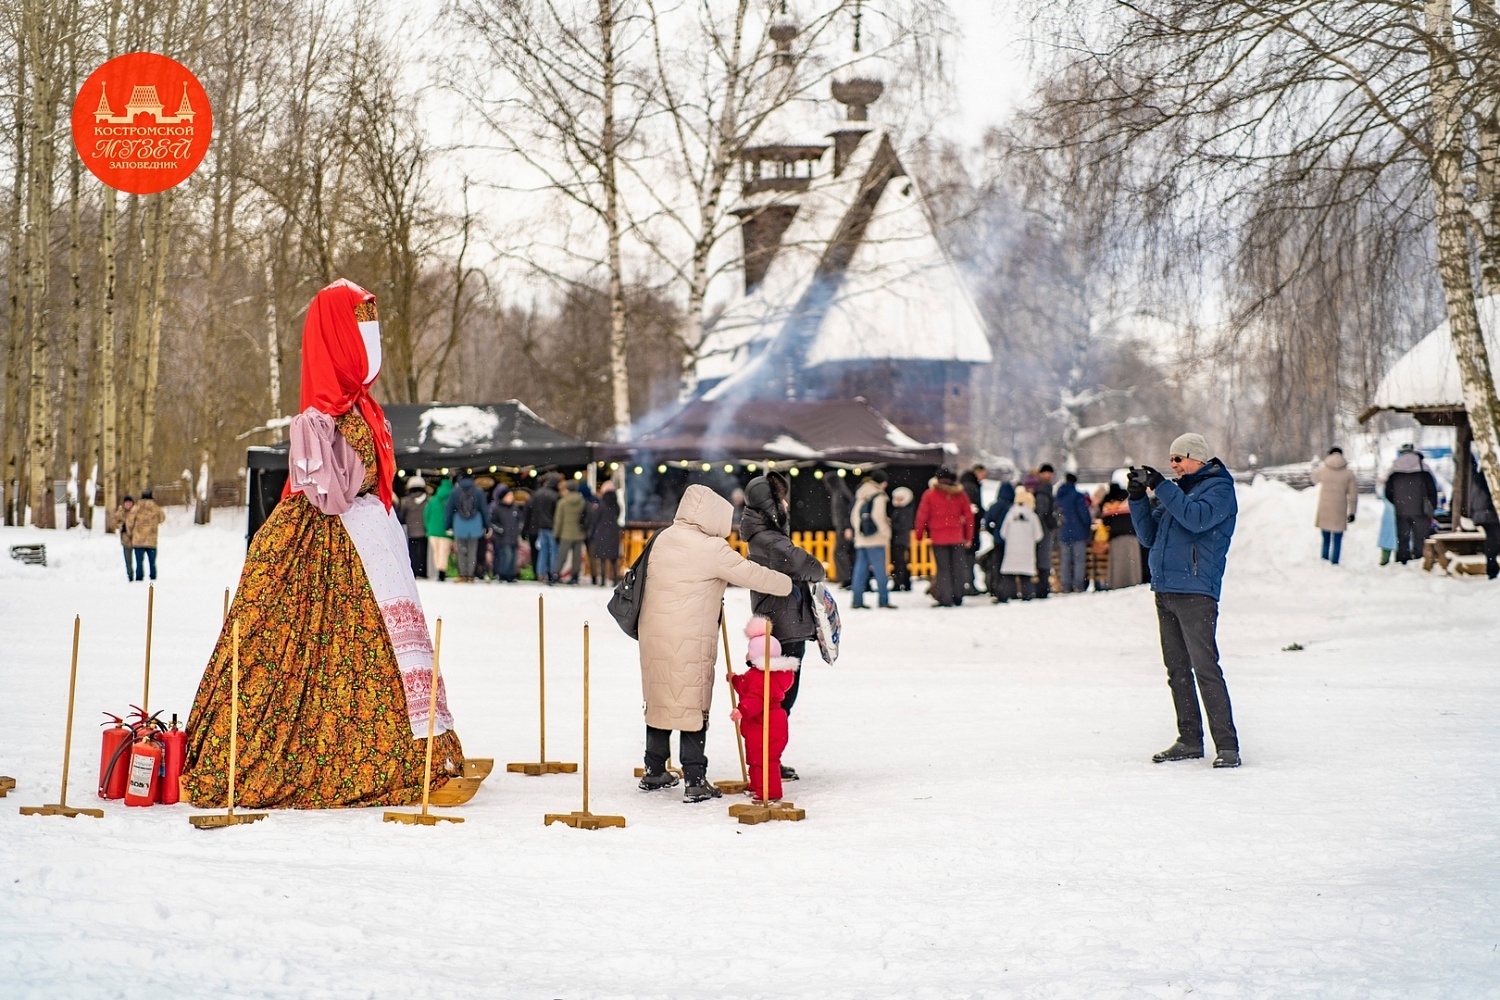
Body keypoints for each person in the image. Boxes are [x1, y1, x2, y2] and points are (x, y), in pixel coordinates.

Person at [181, 279, 466, 808]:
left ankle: (412, 749)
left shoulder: (363, 410)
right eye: (361, 326)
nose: (371, 338)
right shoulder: (318, 421)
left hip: (371, 545)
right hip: (322, 546)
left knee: (377, 653)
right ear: (337, 336)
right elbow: (330, 496)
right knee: (302, 651)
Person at [636, 484, 792, 803]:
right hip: (690, 636)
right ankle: (695, 779)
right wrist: (788, 583)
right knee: (691, 703)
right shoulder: (711, 548)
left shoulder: (663, 537)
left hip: (653, 634)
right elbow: (751, 574)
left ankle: (654, 770)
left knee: (661, 698)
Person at [1129, 432, 1241, 769]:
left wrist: (1161, 486)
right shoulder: (1178, 493)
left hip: (1196, 591)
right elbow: (1148, 536)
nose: (1173, 465)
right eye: (1170, 460)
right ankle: (1189, 739)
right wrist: (1137, 498)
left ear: (1196, 457)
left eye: (1178, 459)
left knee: (1205, 668)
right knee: (1177, 669)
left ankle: (1227, 746)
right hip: (1166, 590)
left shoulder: (1219, 489)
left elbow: (1196, 519)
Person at [740, 471, 828, 781]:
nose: (787, 505)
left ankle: (769, 758)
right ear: (771, 506)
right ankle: (767, 760)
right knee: (778, 698)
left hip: (782, 618)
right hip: (784, 622)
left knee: (778, 697)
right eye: (782, 500)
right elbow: (811, 566)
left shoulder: (763, 536)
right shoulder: (771, 540)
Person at [732, 617, 798, 802]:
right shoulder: (763, 675)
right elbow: (746, 687)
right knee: (755, 758)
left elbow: (757, 699)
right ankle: (757, 785)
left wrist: (742, 710)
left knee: (765, 760)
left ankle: (770, 792)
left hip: (766, 725)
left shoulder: (761, 677)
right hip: (762, 725)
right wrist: (735, 679)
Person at [914, 467, 973, 607]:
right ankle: (958, 596)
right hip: (957, 537)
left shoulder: (930, 494)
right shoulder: (960, 494)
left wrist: (919, 535)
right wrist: (968, 536)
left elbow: (922, 516)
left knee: (943, 569)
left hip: (938, 537)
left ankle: (945, 598)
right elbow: (969, 517)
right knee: (958, 567)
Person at [1384, 445, 1437, 564]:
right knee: (1420, 537)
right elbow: (1432, 490)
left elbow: (1388, 492)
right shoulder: (1423, 468)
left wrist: (1397, 503)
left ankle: (1402, 559)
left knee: (1402, 537)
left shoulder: (1394, 469)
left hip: (1401, 510)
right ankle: (1419, 558)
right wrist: (1431, 507)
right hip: (1420, 510)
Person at [850, 470, 895, 609]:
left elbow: (854, 517)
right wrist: (886, 532)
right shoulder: (878, 496)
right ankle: (883, 600)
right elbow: (878, 516)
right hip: (876, 539)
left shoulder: (861, 495)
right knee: (880, 571)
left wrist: (859, 531)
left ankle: (857, 600)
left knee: (860, 571)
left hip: (862, 539)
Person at [1311, 447, 1359, 565]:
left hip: (1325, 508)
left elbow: (1313, 479)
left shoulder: (1323, 470)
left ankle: (1324, 561)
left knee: (1326, 539)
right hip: (1340, 509)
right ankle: (1335, 563)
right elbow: (1353, 495)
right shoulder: (1349, 473)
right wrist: (1352, 512)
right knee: (1337, 539)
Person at [994, 487, 1043, 602]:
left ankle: (1007, 595)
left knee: (1009, 575)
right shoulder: (1032, 516)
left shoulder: (1010, 514)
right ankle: (1027, 595)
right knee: (1026, 576)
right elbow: (1039, 535)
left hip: (1011, 551)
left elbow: (1003, 533)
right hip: (1027, 552)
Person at [1098, 473, 1143, 589]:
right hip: (1132, 535)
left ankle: (1118, 583)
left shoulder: (1108, 504)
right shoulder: (1129, 500)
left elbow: (1105, 521)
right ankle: (1133, 581)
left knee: (1118, 562)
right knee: (1132, 561)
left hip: (1117, 537)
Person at [445, 473, 489, 582]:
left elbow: (449, 510)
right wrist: (487, 525)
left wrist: (448, 526)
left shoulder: (455, 492)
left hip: (459, 524)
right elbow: (484, 510)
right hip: (475, 524)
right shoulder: (478, 491)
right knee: (472, 551)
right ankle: (470, 575)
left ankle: (462, 574)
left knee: (461, 551)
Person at [1055, 472, 1093, 593]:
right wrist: (1088, 525)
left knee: (1065, 561)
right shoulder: (1077, 496)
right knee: (1079, 560)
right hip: (1078, 532)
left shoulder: (1059, 496)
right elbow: (1084, 514)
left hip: (1063, 532)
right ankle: (1078, 585)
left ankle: (1066, 586)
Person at [980, 475, 1017, 599]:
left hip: (997, 541)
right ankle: (1008, 589)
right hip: (1011, 542)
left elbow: (987, 523)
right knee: (1009, 567)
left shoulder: (995, 506)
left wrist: (994, 533)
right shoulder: (1013, 507)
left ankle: (995, 588)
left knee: (996, 565)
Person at [1468, 451, 1500, 579]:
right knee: (1493, 541)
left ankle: (1492, 568)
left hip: (1482, 514)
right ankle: (1492, 569)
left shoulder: (1479, 477)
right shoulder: (1490, 479)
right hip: (1490, 513)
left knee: (1492, 541)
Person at [527, 472, 562, 584]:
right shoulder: (556, 496)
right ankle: (552, 573)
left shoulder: (537, 494)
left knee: (543, 551)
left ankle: (540, 573)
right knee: (553, 551)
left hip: (540, 526)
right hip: (552, 527)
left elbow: (530, 510)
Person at [126, 490, 166, 582]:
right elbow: (162, 519)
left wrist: (130, 533)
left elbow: (129, 522)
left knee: (139, 562)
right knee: (152, 562)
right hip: (152, 540)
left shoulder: (136, 508)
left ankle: (139, 577)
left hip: (138, 540)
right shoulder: (156, 508)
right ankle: (153, 577)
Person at [959, 464, 987, 595]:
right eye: (982, 474)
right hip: (970, 529)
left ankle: (967, 583)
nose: (983, 478)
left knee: (966, 558)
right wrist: (981, 514)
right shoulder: (971, 487)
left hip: (966, 529)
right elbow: (972, 510)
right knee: (968, 558)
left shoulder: (965, 485)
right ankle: (968, 584)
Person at [554, 478, 588, 584]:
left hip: (566, 533)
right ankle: (575, 576)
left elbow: (558, 520)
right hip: (579, 532)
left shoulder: (562, 502)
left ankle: (556, 574)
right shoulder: (582, 501)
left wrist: (556, 534)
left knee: (562, 556)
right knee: (576, 557)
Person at [1032, 464, 1059, 598]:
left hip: (1043, 530)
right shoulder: (1043, 491)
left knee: (1043, 559)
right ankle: (1042, 588)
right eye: (1047, 473)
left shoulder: (1044, 489)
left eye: (1051, 473)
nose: (1049, 475)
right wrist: (1050, 521)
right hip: (1043, 531)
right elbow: (1041, 512)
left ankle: (1042, 587)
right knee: (1043, 559)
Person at [825, 474, 856, 588]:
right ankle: (849, 578)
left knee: (840, 552)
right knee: (847, 553)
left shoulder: (841, 493)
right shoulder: (840, 492)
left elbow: (848, 511)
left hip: (844, 528)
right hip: (842, 527)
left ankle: (847, 579)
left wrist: (847, 527)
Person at [590, 480, 623, 585]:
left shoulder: (602, 505)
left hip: (602, 532)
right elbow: (618, 515)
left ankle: (603, 580)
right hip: (614, 532)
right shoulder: (616, 505)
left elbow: (595, 518)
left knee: (602, 558)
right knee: (613, 558)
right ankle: (615, 579)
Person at [489, 485, 524, 582]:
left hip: (513, 536)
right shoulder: (497, 508)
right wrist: (500, 530)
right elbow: (492, 522)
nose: (510, 497)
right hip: (502, 538)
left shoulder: (515, 508)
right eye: (508, 495)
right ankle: (502, 574)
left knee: (513, 556)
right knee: (505, 556)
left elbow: (520, 520)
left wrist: (518, 529)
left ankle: (511, 574)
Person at [396, 477, 429, 578]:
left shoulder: (406, 501)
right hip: (424, 529)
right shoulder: (428, 500)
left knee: (413, 552)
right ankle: (423, 571)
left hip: (411, 530)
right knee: (423, 552)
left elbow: (402, 515)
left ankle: (414, 570)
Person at [424, 476, 454, 581]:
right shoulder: (452, 499)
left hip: (433, 530)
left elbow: (426, 514)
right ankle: (442, 572)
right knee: (444, 552)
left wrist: (429, 527)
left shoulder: (433, 500)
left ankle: (438, 570)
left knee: (436, 552)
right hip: (446, 531)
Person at [889, 486, 916, 591]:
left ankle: (899, 583)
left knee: (899, 563)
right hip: (900, 539)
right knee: (901, 563)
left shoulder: (905, 511)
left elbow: (903, 526)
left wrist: (891, 524)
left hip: (900, 540)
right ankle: (905, 583)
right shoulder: (902, 510)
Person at [113, 495, 135, 581]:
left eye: (129, 503)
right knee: (128, 560)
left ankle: (139, 576)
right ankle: (130, 575)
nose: (128, 504)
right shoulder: (120, 512)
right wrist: (121, 525)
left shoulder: (136, 512)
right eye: (126, 503)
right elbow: (114, 523)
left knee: (139, 560)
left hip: (137, 539)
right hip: (126, 539)